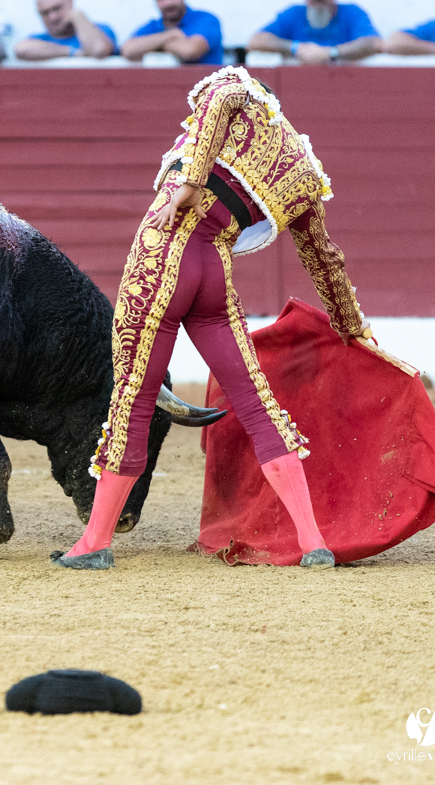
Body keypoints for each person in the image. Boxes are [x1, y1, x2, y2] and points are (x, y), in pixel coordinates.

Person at [52, 66, 371, 571]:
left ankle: (93, 543)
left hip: (163, 254)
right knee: (257, 403)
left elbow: (221, 99)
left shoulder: (236, 90)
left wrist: (192, 180)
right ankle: (313, 542)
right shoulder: (303, 173)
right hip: (214, 275)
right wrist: (354, 328)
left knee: (132, 402)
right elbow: (323, 257)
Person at [248, 0, 382, 65]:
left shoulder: (352, 12)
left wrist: (330, 53)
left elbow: (375, 43)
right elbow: (256, 41)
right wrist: (296, 48)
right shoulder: (293, 13)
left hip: (345, 87)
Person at [121, 0, 223, 66]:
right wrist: (172, 35)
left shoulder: (206, 20)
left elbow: (190, 51)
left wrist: (153, 45)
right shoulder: (153, 26)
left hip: (208, 90)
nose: (168, 2)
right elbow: (127, 50)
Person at [14, 0, 116, 61]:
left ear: (69, 2)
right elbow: (21, 49)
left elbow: (99, 49)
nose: (52, 17)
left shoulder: (101, 30)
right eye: (45, 13)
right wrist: (74, 52)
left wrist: (77, 15)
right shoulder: (39, 39)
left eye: (57, 8)